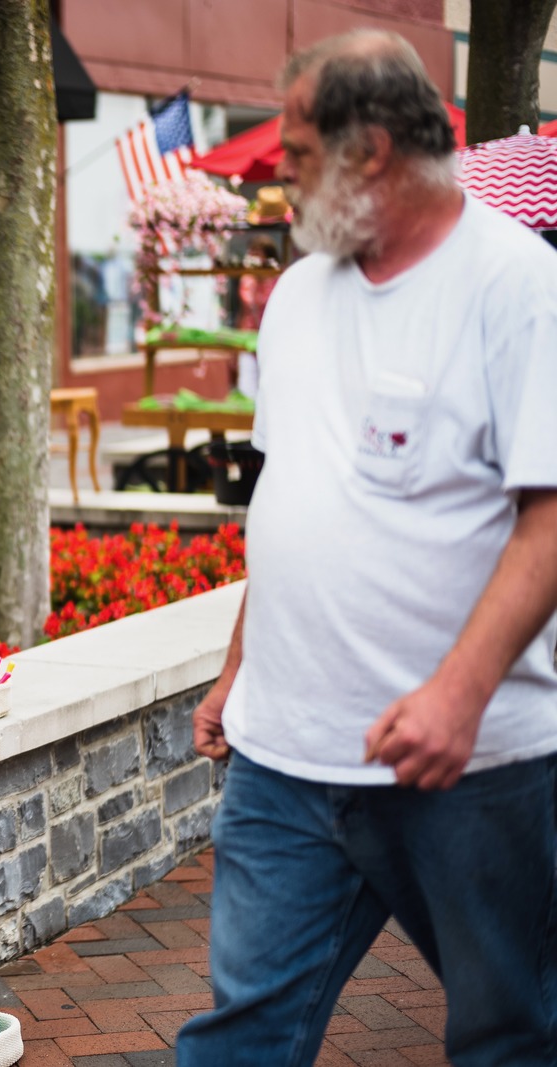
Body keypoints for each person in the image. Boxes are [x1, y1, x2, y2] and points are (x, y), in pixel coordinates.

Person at [177, 30, 557, 1067]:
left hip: (466, 765)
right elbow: (292, 499)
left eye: (297, 155)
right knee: (241, 1031)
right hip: (284, 754)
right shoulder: (298, 294)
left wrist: (457, 695)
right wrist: (234, 666)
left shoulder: (518, 285)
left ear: (373, 149)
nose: (282, 181)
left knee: (507, 1032)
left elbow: (550, 516)